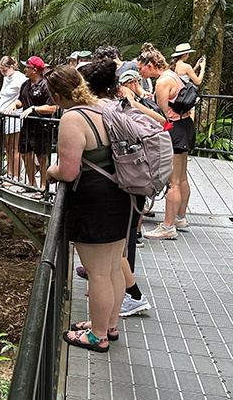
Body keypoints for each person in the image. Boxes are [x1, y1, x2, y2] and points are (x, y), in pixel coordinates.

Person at [45, 65, 129, 352]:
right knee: (113, 267)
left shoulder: (72, 118)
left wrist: (50, 171)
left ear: (56, 95)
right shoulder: (102, 108)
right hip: (120, 193)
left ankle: (98, 336)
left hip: (94, 201)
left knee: (98, 273)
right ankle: (109, 324)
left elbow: (68, 171)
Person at [77, 58, 154, 318]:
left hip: (118, 186)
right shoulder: (122, 105)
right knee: (117, 254)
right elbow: (161, 125)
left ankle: (131, 298)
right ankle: (120, 309)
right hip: (134, 182)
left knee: (111, 260)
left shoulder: (102, 110)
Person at [138, 43, 194, 240]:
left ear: (150, 65)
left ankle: (168, 226)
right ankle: (180, 217)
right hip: (186, 126)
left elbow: (161, 114)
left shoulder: (162, 82)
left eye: (140, 68)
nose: (139, 72)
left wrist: (137, 105)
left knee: (173, 181)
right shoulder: (173, 75)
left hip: (175, 129)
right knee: (182, 176)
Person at [18, 56, 56, 195]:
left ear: (34, 70)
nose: (25, 69)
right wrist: (13, 105)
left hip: (42, 127)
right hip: (26, 127)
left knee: (42, 157)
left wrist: (34, 109)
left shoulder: (46, 85)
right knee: (24, 154)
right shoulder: (25, 84)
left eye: (27, 67)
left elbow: (53, 107)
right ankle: (31, 183)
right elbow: (21, 101)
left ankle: (42, 188)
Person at [0, 56, 28, 181]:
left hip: (14, 116)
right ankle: (10, 173)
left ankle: (17, 175)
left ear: (11, 67)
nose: (3, 73)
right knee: (7, 146)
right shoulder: (6, 78)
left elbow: (25, 95)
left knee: (14, 146)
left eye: (4, 70)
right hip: (4, 114)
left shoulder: (20, 78)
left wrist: (16, 104)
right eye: (1, 71)